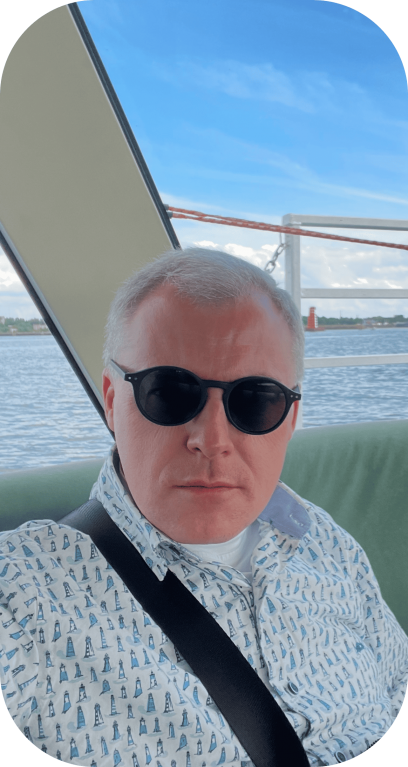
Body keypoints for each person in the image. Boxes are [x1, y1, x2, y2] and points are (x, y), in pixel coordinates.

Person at [1, 247, 407, 767]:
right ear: (112, 401)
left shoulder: (326, 543)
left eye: (255, 400)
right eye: (169, 393)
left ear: (290, 419)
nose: (211, 441)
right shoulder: (22, 596)